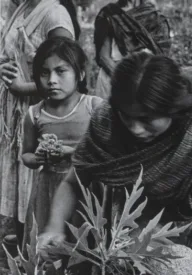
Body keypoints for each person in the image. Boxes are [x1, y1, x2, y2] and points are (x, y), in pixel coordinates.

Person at [38, 52, 192, 275]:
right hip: (138, 208)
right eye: (127, 116)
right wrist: (55, 227)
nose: (135, 128)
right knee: (131, 264)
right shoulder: (107, 121)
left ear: (173, 109)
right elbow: (74, 182)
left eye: (147, 119)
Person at [0, 0, 79, 247]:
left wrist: (23, 87)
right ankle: (25, 237)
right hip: (15, 111)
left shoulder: (54, 14)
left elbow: (69, 72)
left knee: (37, 178)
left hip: (42, 109)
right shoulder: (23, 8)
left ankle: (40, 242)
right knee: (20, 174)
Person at [21, 37, 103, 251]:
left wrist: (73, 152)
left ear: (81, 74)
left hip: (85, 187)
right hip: (48, 186)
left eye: (61, 71)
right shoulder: (34, 114)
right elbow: (26, 155)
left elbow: (106, 151)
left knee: (83, 245)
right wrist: (37, 158)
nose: (52, 80)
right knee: (49, 247)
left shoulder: (94, 107)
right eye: (44, 72)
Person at [93, 0, 171, 99]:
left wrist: (143, 81)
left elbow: (161, 54)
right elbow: (104, 57)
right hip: (113, 76)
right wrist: (127, 81)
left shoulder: (155, 17)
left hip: (147, 81)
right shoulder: (110, 13)